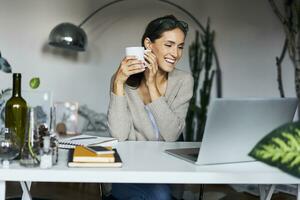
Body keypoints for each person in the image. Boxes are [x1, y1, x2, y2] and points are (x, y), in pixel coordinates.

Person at [107, 15, 193, 200]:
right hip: (130, 168)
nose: (176, 54)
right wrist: (118, 84)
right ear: (148, 43)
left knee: (160, 194)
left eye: (180, 47)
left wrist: (152, 85)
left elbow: (171, 135)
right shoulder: (122, 81)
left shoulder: (184, 81)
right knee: (156, 196)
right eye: (168, 45)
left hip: (168, 170)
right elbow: (119, 135)